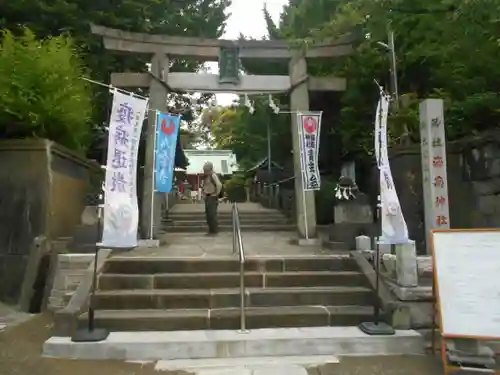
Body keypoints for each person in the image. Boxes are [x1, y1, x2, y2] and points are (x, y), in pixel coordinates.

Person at [202, 162, 222, 235]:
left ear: (210, 169)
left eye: (206, 170)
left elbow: (219, 185)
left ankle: (214, 231)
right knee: (208, 215)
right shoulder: (206, 177)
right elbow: (205, 187)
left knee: (212, 214)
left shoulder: (213, 175)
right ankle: (210, 230)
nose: (205, 172)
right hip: (207, 197)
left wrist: (216, 194)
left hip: (212, 197)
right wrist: (204, 194)